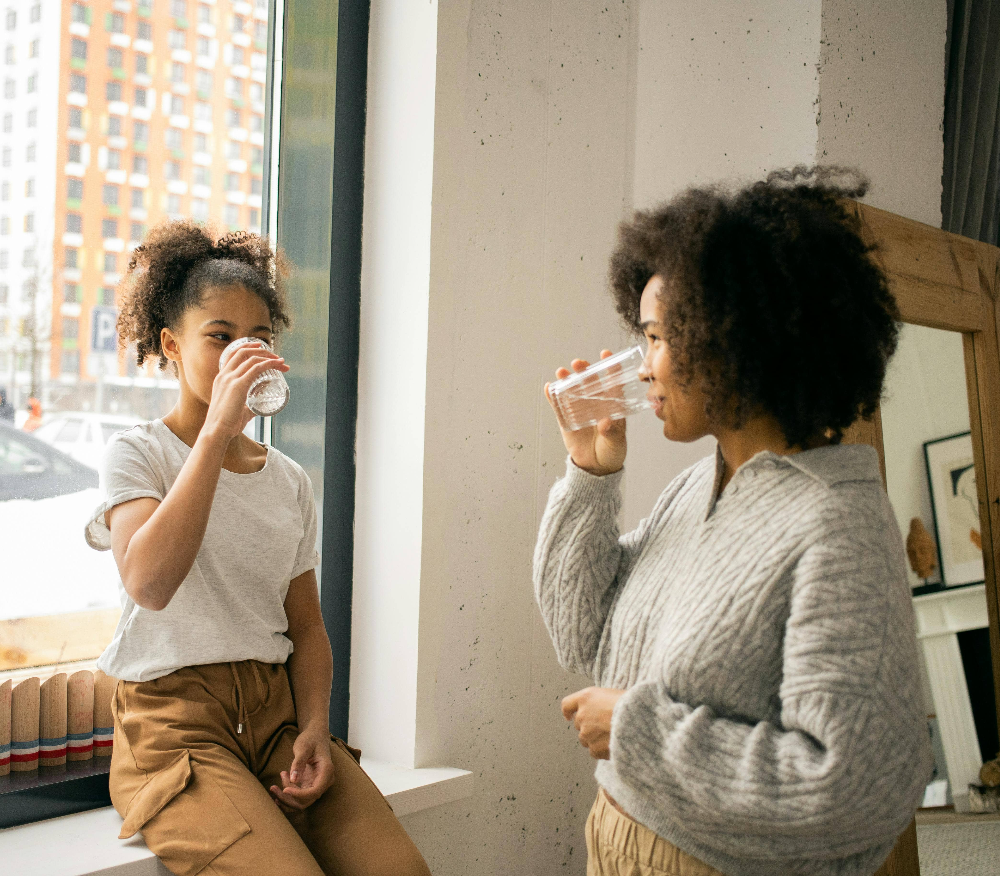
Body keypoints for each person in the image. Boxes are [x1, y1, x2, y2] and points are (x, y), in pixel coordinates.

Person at [534, 167, 932, 876]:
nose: (644, 367)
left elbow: (852, 787)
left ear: (737, 337)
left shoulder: (834, 524)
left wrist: (637, 732)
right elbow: (582, 635)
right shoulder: (697, 490)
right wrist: (589, 477)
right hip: (615, 843)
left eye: (658, 337)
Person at [85, 222, 430, 876]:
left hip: (275, 718)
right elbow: (149, 583)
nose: (242, 352)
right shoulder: (138, 454)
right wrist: (216, 431)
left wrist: (313, 729)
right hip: (176, 728)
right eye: (220, 337)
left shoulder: (288, 480)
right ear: (172, 345)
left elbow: (305, 626)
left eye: (259, 339)